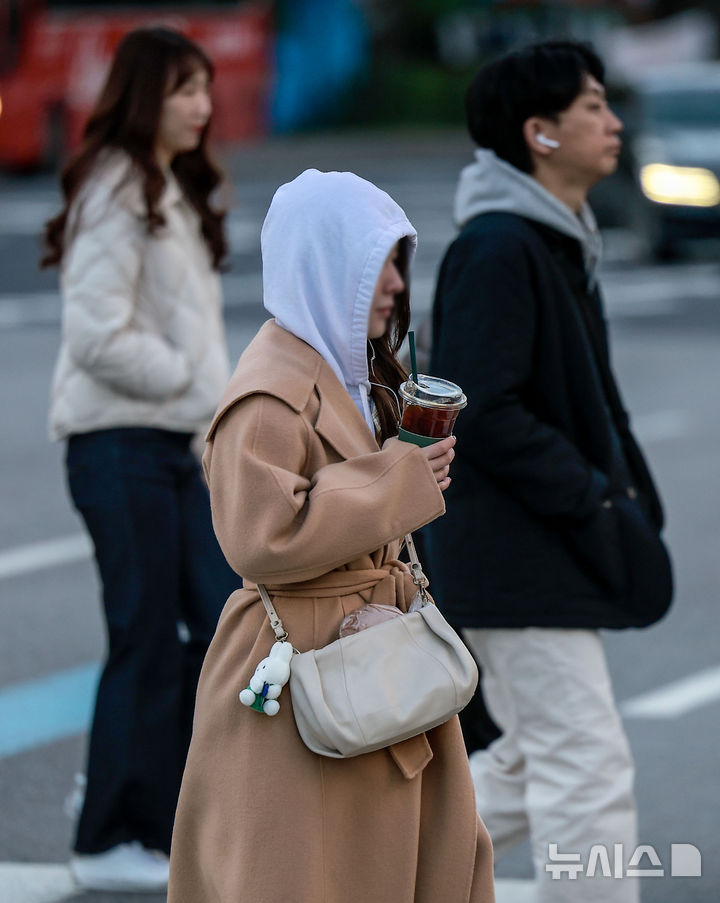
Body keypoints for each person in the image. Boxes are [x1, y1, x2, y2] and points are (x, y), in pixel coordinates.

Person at [167, 169, 495, 903]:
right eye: (376, 261)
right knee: (307, 871)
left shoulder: (361, 370)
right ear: (324, 264)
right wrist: (399, 479)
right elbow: (259, 539)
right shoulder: (269, 393)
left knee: (401, 859)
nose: (393, 283)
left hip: (368, 657)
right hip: (302, 668)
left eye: (399, 261)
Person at [426, 41, 673, 903]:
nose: (614, 122)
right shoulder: (500, 248)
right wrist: (593, 494)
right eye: (594, 106)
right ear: (540, 132)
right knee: (586, 766)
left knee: (533, 761)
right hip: (517, 557)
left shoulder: (550, 239)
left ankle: (373, 868)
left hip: (529, 553)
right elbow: (483, 410)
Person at [41, 27, 239, 893]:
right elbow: (95, 336)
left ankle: (157, 810)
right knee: (147, 635)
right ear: (143, 94)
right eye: (185, 89)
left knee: (215, 622)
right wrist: (196, 386)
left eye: (205, 88)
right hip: (120, 442)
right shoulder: (117, 187)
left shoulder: (171, 189)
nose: (203, 104)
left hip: (171, 446)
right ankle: (108, 832)